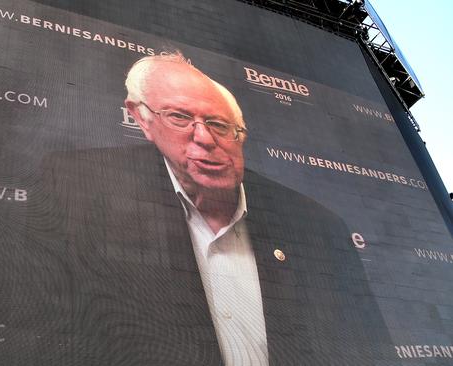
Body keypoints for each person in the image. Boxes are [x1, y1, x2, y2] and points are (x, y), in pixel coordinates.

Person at [43, 52, 393, 365]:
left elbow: (368, 347)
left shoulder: (317, 225)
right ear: (142, 119)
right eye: (180, 117)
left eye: (219, 125)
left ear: (240, 135)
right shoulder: (75, 187)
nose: (205, 139)